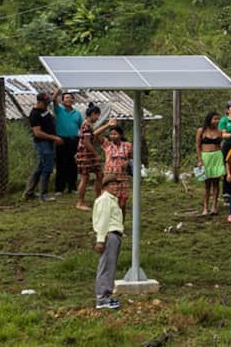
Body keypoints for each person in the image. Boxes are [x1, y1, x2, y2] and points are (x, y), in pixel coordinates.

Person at [23, 92, 63, 202]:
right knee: (47, 167)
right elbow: (38, 133)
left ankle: (29, 192)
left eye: (47, 103)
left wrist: (58, 90)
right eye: (45, 103)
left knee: (40, 167)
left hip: (48, 143)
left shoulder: (44, 109)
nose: (47, 105)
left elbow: (53, 100)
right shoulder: (34, 114)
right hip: (42, 143)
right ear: (38, 102)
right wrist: (54, 138)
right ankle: (43, 195)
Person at [93, 176, 125, 310]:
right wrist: (100, 240)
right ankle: (102, 299)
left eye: (117, 184)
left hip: (114, 235)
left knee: (109, 266)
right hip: (109, 236)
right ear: (105, 187)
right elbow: (103, 220)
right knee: (106, 267)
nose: (116, 187)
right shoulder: (105, 200)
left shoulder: (112, 200)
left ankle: (106, 296)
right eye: (112, 184)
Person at [75, 103, 114, 211]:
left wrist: (107, 126)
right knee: (84, 177)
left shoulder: (89, 125)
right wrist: (95, 154)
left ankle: (98, 197)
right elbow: (86, 142)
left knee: (99, 174)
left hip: (89, 154)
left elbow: (95, 134)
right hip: (85, 154)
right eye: (97, 116)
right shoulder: (86, 125)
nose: (97, 118)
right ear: (92, 114)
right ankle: (80, 202)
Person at [52, 90, 83, 197]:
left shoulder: (77, 114)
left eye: (70, 98)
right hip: (61, 140)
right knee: (61, 164)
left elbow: (81, 127)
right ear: (62, 100)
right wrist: (58, 91)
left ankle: (72, 187)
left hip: (74, 141)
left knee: (73, 164)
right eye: (66, 98)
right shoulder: (59, 110)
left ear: (73, 100)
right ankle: (59, 188)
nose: (69, 99)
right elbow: (53, 99)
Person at [195, 112, 225, 216]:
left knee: (216, 183)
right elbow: (198, 146)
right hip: (206, 157)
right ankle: (205, 207)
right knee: (207, 185)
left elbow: (220, 145)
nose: (217, 121)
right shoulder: (201, 131)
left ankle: (214, 207)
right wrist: (199, 160)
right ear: (209, 119)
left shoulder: (219, 131)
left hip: (217, 157)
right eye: (215, 119)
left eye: (218, 119)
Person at [102, 125, 133, 217]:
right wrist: (108, 125)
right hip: (110, 177)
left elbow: (131, 157)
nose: (112, 136)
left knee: (122, 203)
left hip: (122, 177)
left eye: (115, 134)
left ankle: (120, 225)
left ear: (121, 135)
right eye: (111, 134)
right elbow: (95, 134)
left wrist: (127, 162)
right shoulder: (107, 144)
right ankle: (109, 224)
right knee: (109, 202)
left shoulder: (127, 145)